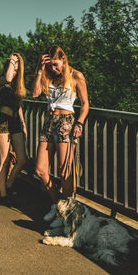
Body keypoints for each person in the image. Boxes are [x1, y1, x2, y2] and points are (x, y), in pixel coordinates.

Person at [32, 45, 89, 225]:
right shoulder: (47, 75)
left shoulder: (76, 76)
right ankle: (59, 205)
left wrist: (79, 122)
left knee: (65, 172)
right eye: (50, 66)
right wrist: (41, 70)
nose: (53, 69)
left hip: (66, 122)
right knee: (40, 170)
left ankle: (67, 212)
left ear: (63, 59)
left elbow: (86, 104)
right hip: (49, 122)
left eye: (56, 65)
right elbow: (34, 94)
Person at [0, 53, 27, 204]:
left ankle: (8, 184)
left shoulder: (16, 84)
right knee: (4, 160)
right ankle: (3, 195)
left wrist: (23, 123)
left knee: (22, 160)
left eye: (17, 67)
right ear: (9, 66)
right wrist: (13, 61)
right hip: (4, 123)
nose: (15, 70)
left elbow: (18, 105)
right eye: (13, 66)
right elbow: (7, 78)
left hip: (15, 123)